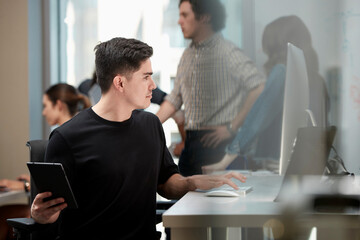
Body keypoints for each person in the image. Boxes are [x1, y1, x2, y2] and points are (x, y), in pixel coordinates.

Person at [30, 37, 246, 240]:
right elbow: (50, 215)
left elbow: (166, 183)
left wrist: (191, 182)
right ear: (120, 83)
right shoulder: (66, 138)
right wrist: (42, 217)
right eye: (146, 77)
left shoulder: (150, 125)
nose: (153, 85)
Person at [202, 15, 329, 174]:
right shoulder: (318, 79)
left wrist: (225, 160)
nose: (262, 50)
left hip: (275, 165)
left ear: (275, 44)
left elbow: (257, 118)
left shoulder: (281, 73)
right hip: (307, 165)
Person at [156, 0, 265, 176]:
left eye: (185, 15)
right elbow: (175, 99)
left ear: (205, 17)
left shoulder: (227, 52)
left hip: (217, 147)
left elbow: (259, 87)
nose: (179, 21)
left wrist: (232, 127)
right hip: (190, 146)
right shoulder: (187, 55)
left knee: (215, 201)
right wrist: (148, 125)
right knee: (183, 201)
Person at [0, 83, 90, 240]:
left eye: (46, 105)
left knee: (4, 214)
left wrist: (26, 186)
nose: (43, 112)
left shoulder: (64, 139)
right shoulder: (80, 133)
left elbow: (66, 188)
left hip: (64, 215)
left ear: (59, 105)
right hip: (72, 213)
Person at [78, 70, 186, 157]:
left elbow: (175, 109)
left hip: (130, 148)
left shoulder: (138, 86)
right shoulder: (86, 88)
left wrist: (184, 142)